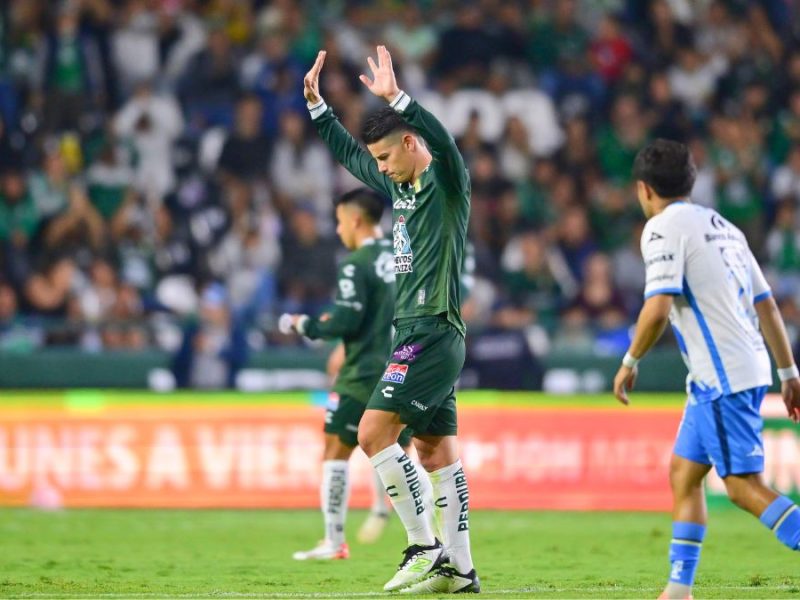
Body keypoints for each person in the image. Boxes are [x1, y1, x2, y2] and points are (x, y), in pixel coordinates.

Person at [302, 46, 478, 594]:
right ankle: (462, 569)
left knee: (373, 431)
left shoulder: (446, 185)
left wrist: (399, 98)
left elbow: (444, 144)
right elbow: (353, 160)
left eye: (385, 157)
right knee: (433, 451)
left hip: (431, 329)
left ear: (409, 142)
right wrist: (318, 110)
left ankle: (424, 545)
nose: (378, 168)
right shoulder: (399, 189)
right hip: (420, 332)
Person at [613, 139, 800, 600]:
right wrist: (789, 371)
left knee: (741, 486)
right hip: (741, 367)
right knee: (684, 472)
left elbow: (657, 308)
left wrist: (629, 361)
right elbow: (767, 305)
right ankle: (679, 590)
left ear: (644, 189)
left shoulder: (661, 228)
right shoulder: (725, 227)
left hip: (724, 376)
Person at [278, 188, 429, 560]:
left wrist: (305, 325)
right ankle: (434, 527)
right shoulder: (402, 256)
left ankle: (334, 542)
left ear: (356, 220)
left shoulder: (355, 263)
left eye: (340, 220)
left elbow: (347, 320)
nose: (338, 228)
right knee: (401, 451)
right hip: (402, 368)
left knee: (335, 450)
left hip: (362, 373)